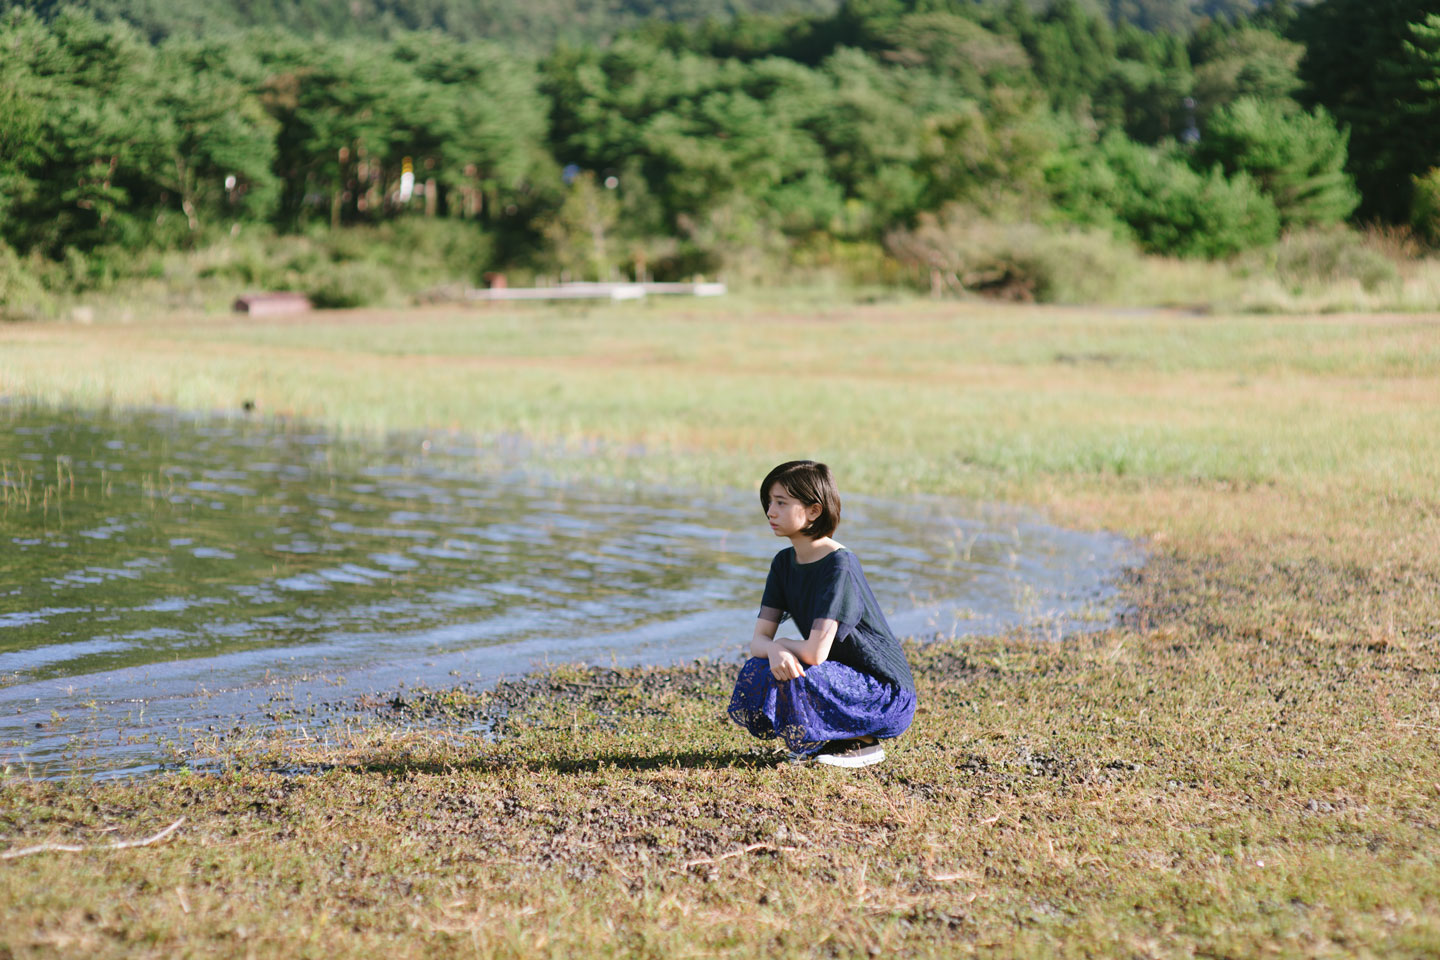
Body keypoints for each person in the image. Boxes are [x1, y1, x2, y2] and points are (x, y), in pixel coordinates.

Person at [728, 460, 917, 768]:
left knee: (798, 671)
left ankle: (863, 742)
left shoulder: (839, 565)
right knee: (758, 667)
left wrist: (783, 644)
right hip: (838, 678)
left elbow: (815, 653)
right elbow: (758, 642)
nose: (770, 512)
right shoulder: (783, 563)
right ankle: (832, 737)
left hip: (886, 695)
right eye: (769, 502)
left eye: (781, 503)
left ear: (814, 510)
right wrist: (775, 648)